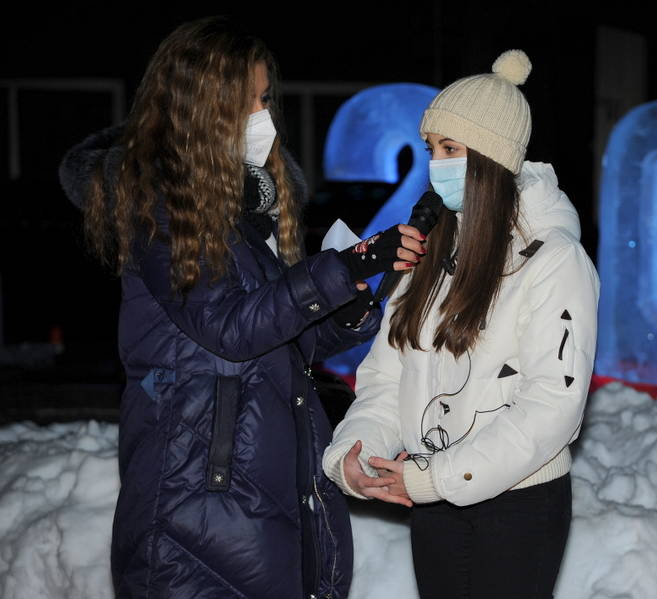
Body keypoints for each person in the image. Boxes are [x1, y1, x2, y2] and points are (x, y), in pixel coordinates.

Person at [58, 17, 426, 599]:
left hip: (257, 487)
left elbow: (284, 338)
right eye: (248, 102)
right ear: (201, 107)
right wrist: (342, 267)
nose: (265, 118)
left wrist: (354, 296)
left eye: (264, 99)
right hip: (196, 501)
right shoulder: (160, 205)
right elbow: (229, 328)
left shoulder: (246, 212)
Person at [322, 50, 600, 598]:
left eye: (451, 148)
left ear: (492, 158)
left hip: (516, 508)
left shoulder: (555, 259)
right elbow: (385, 377)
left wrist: (438, 478)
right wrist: (356, 455)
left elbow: (553, 404)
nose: (436, 163)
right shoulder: (428, 253)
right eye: (432, 149)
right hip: (434, 498)